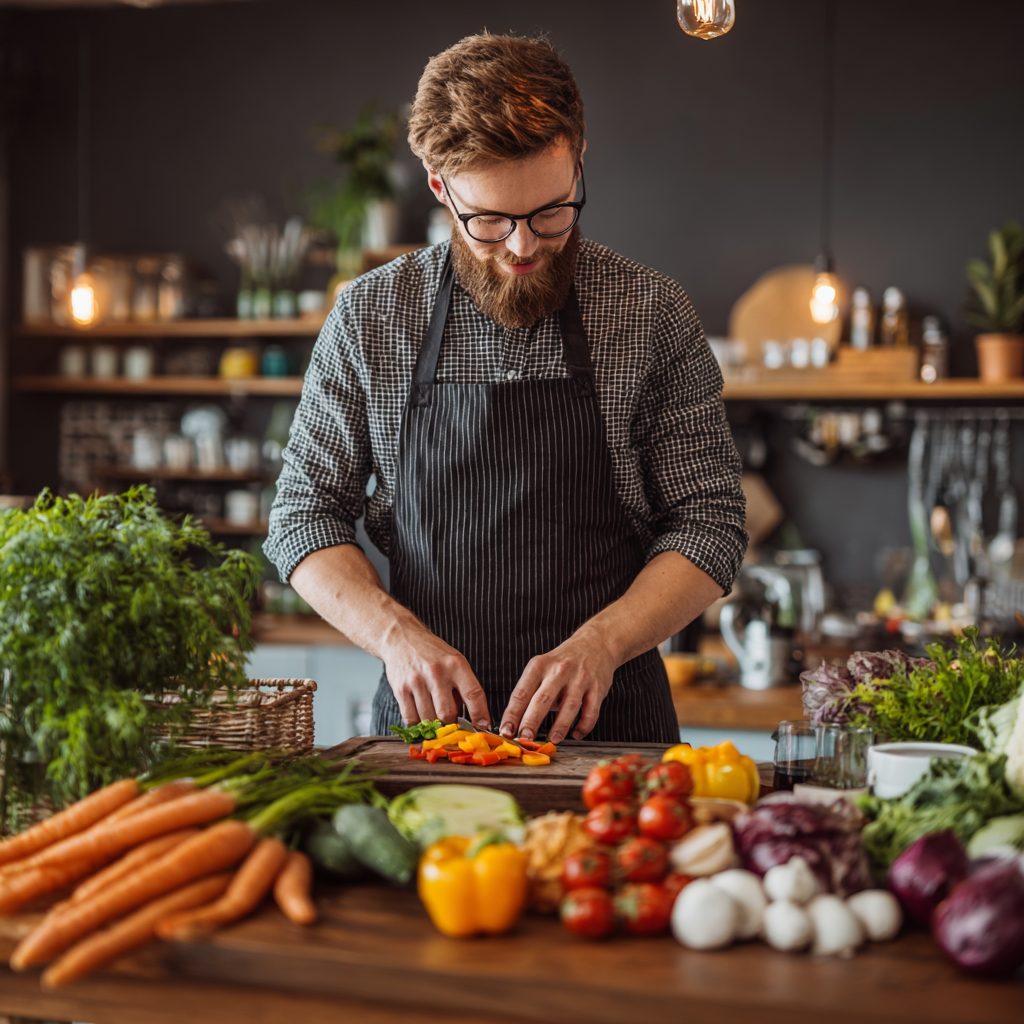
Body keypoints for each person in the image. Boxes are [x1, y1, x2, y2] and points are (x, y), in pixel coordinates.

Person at [264, 33, 747, 745]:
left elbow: (710, 522)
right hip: (429, 736)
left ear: (579, 160)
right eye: (488, 221)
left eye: (552, 213)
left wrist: (604, 644)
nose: (523, 248)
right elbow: (302, 518)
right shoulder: (372, 317)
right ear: (438, 185)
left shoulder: (649, 311)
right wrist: (395, 636)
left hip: (615, 734)